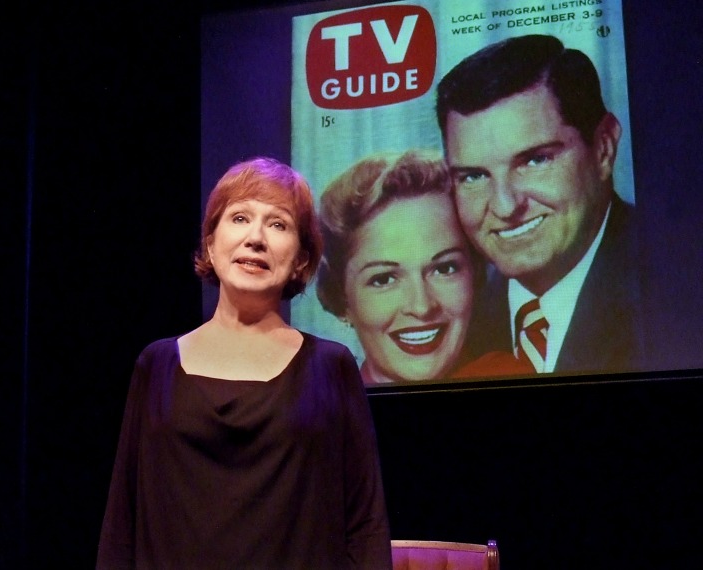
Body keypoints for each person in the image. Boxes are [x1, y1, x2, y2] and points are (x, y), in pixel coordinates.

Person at [96, 157, 392, 569]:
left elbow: (366, 524)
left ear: (302, 260)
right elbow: (120, 526)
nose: (256, 238)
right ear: (211, 245)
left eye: (278, 224)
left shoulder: (332, 367)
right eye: (239, 218)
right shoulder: (157, 365)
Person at [436, 34, 645, 375]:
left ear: (604, 148)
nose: (505, 207)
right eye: (473, 176)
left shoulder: (677, 282)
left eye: (535, 160)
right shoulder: (452, 326)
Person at [316, 149, 488, 385]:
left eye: (445, 269)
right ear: (342, 300)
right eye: (384, 279)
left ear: (475, 273)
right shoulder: (325, 414)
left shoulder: (514, 379)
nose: (422, 307)